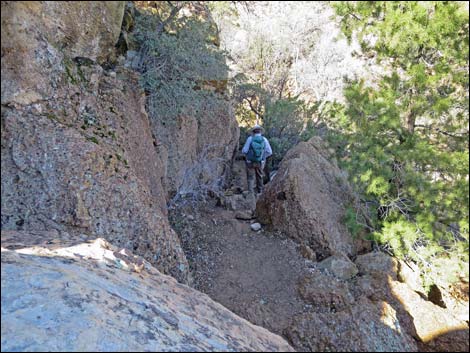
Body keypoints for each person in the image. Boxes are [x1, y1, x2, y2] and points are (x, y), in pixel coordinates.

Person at [242, 125, 272, 194]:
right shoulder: (264, 139)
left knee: (250, 177)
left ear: (253, 132)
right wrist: (263, 158)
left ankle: (251, 194)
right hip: (260, 162)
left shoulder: (250, 139)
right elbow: (270, 152)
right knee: (260, 176)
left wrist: (247, 157)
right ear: (260, 131)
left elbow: (244, 151)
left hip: (250, 162)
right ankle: (260, 192)